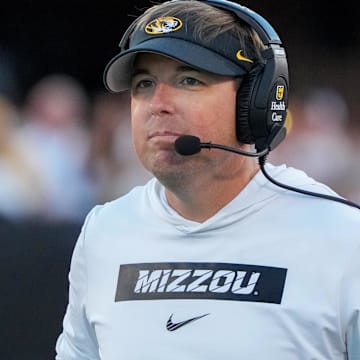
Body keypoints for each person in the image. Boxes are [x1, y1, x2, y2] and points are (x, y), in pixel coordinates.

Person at [56, 0, 360, 359]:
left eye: (189, 80)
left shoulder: (343, 239)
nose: (157, 103)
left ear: (256, 102)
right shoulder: (103, 232)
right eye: (143, 83)